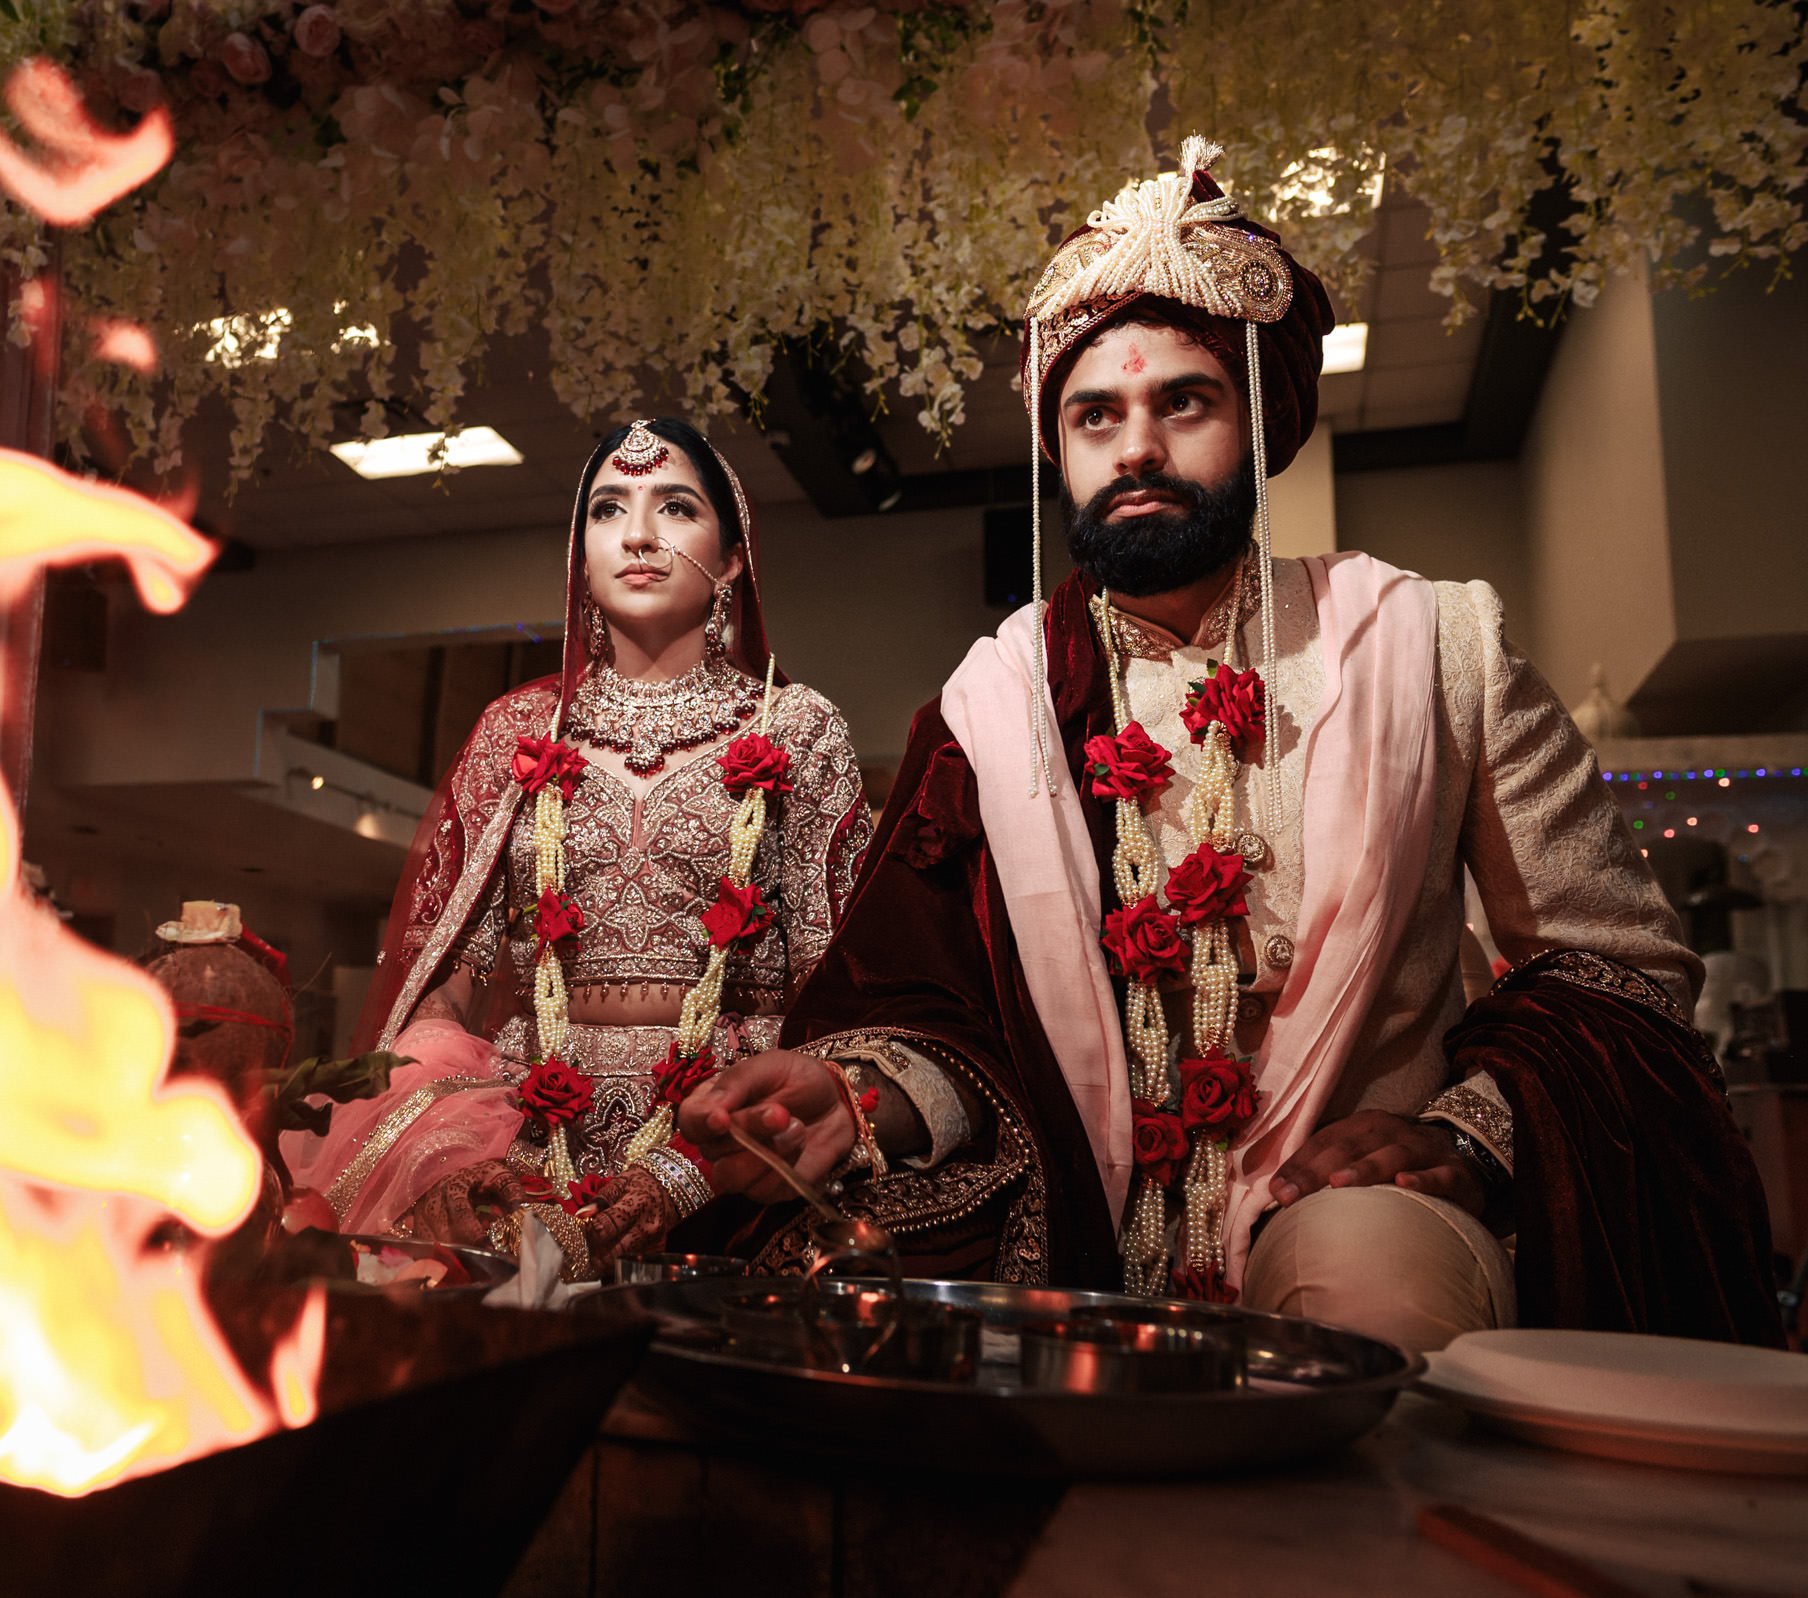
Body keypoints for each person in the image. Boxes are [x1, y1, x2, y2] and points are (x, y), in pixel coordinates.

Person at [680, 142, 1782, 1350]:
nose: (1137, 448)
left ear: (1261, 424)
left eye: (1183, 402)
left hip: (1362, 1206)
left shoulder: (1433, 642)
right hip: (1070, 1218)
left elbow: (1615, 969)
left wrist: (1465, 1137)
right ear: (1062, 452)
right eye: (1095, 415)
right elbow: (936, 1005)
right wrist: (859, 1093)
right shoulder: (995, 705)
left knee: (1357, 1278)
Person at [281, 418, 872, 1278]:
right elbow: (449, 982)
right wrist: (451, 1148)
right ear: (582, 555)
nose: (637, 535)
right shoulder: (516, 731)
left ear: (734, 561)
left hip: (731, 1141)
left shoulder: (800, 726)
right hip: (524, 1132)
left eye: (674, 507)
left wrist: (698, 1162)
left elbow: (839, 986)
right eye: (607, 510)